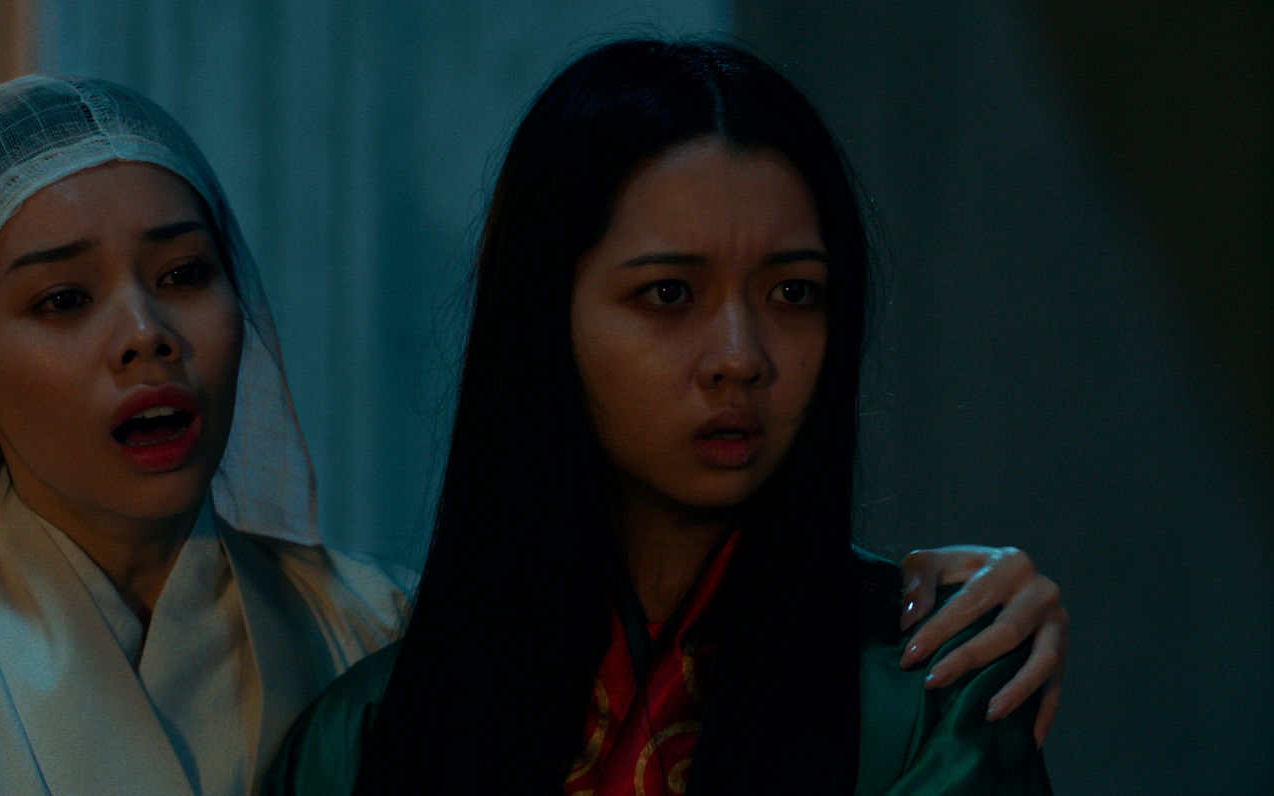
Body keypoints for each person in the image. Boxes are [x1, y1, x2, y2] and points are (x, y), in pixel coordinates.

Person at [0, 75, 1064, 795]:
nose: (144, 335)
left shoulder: (378, 632)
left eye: (185, 275)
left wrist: (941, 587)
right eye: (61, 301)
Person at [263, 40, 1056, 796]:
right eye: (669, 293)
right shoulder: (366, 735)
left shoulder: (933, 695)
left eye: (793, 293)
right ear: (540, 313)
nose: (740, 356)